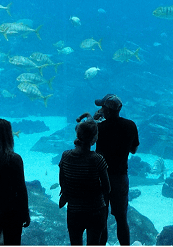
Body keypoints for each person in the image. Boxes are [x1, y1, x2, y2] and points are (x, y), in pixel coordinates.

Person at [94, 93, 139, 246]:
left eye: (102, 107)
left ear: (106, 110)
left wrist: (95, 120)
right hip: (120, 177)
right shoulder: (130, 125)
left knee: (102, 216)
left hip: (101, 177)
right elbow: (133, 150)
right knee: (121, 218)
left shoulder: (99, 128)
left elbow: (84, 137)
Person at [59, 113, 111, 245]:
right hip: (96, 210)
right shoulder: (97, 159)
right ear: (94, 139)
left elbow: (62, 181)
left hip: (74, 211)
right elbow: (107, 188)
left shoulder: (65, 156)